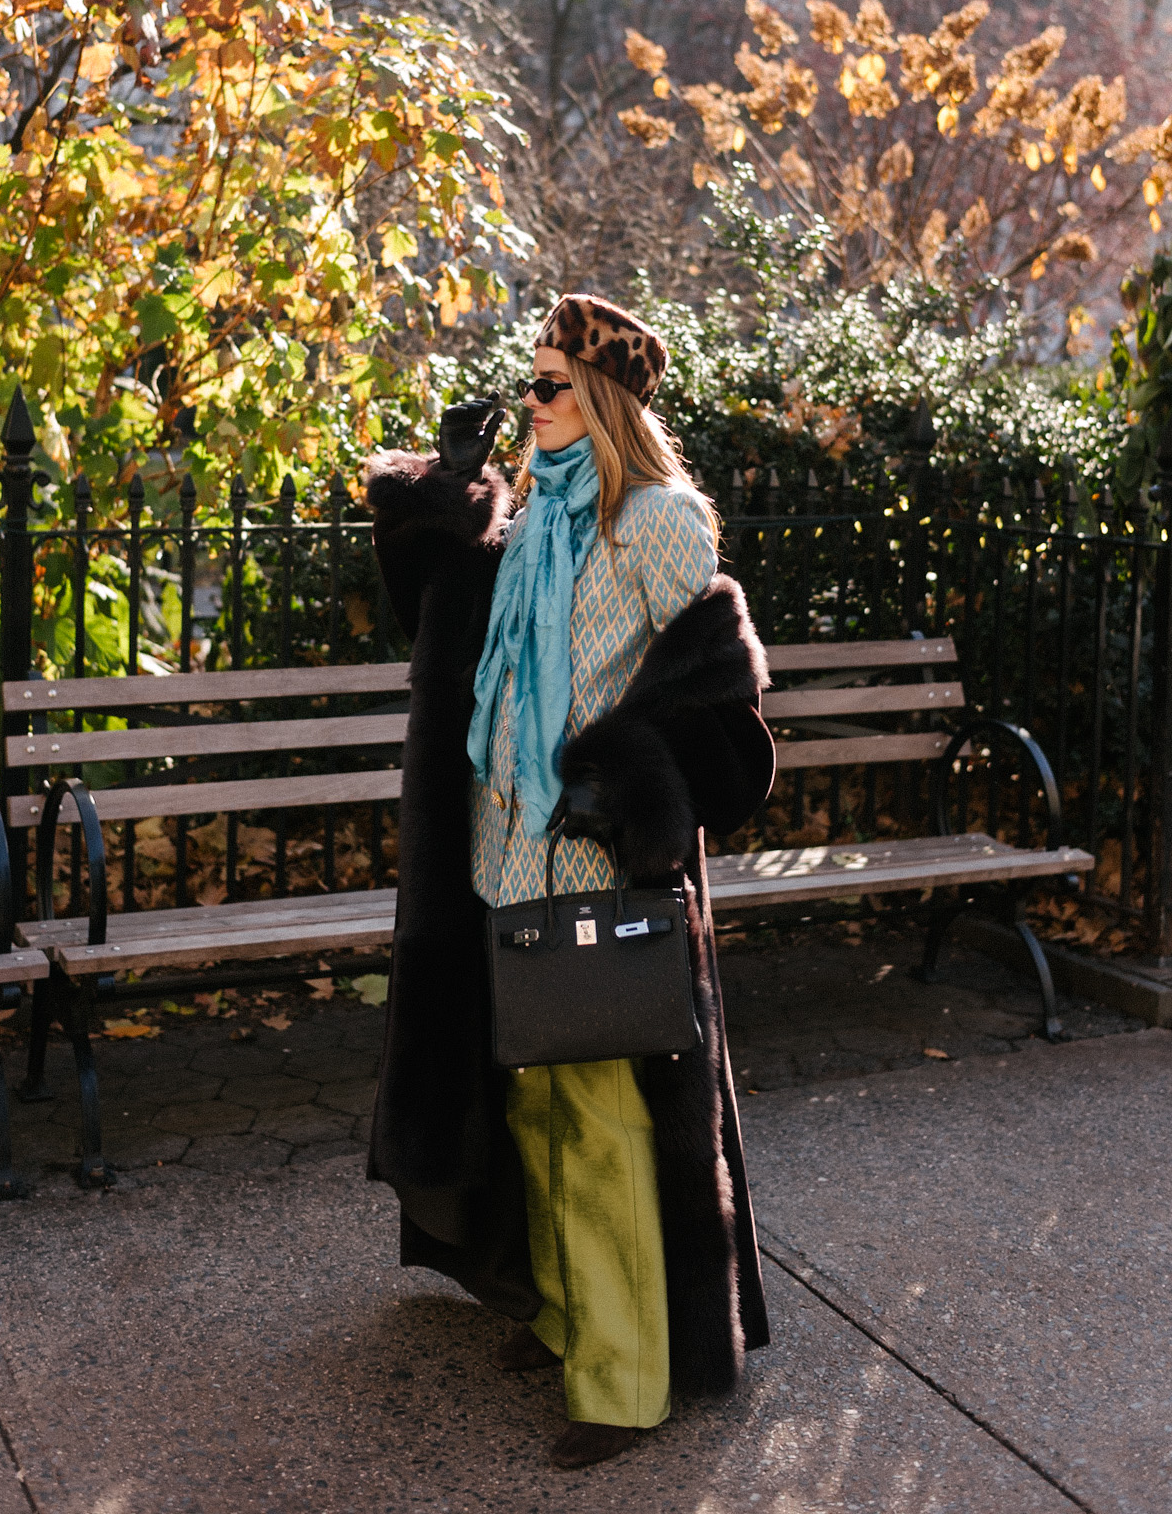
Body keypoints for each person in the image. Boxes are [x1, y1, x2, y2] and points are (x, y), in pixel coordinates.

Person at [364, 292, 775, 1471]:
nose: (528, 402)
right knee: (535, 1102)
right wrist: (437, 491)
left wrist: (626, 781)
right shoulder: (531, 519)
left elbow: (713, 693)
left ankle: (624, 1376)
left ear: (599, 402)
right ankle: (563, 1315)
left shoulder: (657, 521)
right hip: (506, 850)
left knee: (596, 1119)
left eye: (548, 386)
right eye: (530, 382)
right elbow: (442, 624)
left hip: (588, 855)